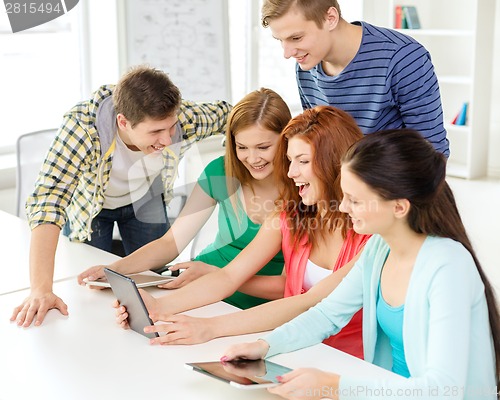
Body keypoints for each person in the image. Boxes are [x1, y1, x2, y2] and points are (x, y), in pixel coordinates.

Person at [223, 129, 500, 400]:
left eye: (354, 200)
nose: (342, 207)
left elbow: (442, 389)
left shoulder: (449, 267)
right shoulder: (378, 249)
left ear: (399, 207)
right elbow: (327, 315)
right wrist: (265, 346)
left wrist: (332, 386)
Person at [115, 106, 370, 359]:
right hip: (292, 349)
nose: (291, 173)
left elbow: (310, 302)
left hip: (345, 360)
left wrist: (210, 328)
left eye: (302, 161)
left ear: (336, 162)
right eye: (290, 160)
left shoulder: (371, 235)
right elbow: (228, 278)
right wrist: (156, 307)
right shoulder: (289, 217)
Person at [11, 65, 231, 328]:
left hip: (146, 198)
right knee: (91, 289)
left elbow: (233, 115)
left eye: (170, 127)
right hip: (93, 208)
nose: (167, 138)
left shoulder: (183, 119)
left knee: (153, 282)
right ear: (123, 122)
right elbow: (49, 199)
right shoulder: (82, 128)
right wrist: (40, 289)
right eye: (155, 132)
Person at [78, 88, 292, 310]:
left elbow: (286, 286)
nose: (253, 158)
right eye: (242, 147)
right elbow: (171, 243)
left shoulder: (303, 189)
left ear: (287, 139)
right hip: (202, 283)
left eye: (263, 147)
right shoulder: (220, 172)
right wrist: (114, 270)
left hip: (255, 301)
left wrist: (217, 275)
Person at [261, 0, 450, 156]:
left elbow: (432, 152)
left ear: (330, 18)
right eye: (280, 40)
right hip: (338, 192)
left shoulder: (403, 57)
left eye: (296, 38)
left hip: (393, 190)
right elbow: (318, 143)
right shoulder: (305, 66)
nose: (287, 53)